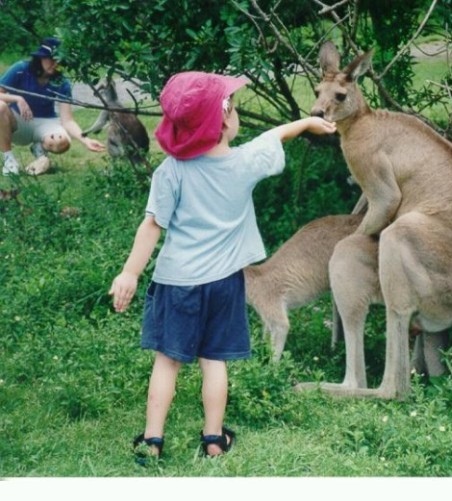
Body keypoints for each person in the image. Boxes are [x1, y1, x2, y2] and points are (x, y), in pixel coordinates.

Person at [108, 71, 336, 462]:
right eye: (234, 106)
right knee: (214, 362)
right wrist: (309, 123)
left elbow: (152, 226)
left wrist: (129, 272)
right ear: (225, 120)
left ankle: (152, 441)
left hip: (177, 284)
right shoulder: (244, 163)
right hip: (225, 284)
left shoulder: (171, 171)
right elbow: (277, 135)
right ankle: (213, 439)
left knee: (167, 363)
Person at [0, 37, 105, 176]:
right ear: (40, 58)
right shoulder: (20, 69)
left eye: (58, 60)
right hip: (19, 122)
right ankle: (9, 160)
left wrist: (86, 141)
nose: (55, 64)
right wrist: (17, 98)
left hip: (46, 122)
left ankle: (40, 148)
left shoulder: (62, 81)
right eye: (51, 59)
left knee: (63, 142)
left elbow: (67, 120)